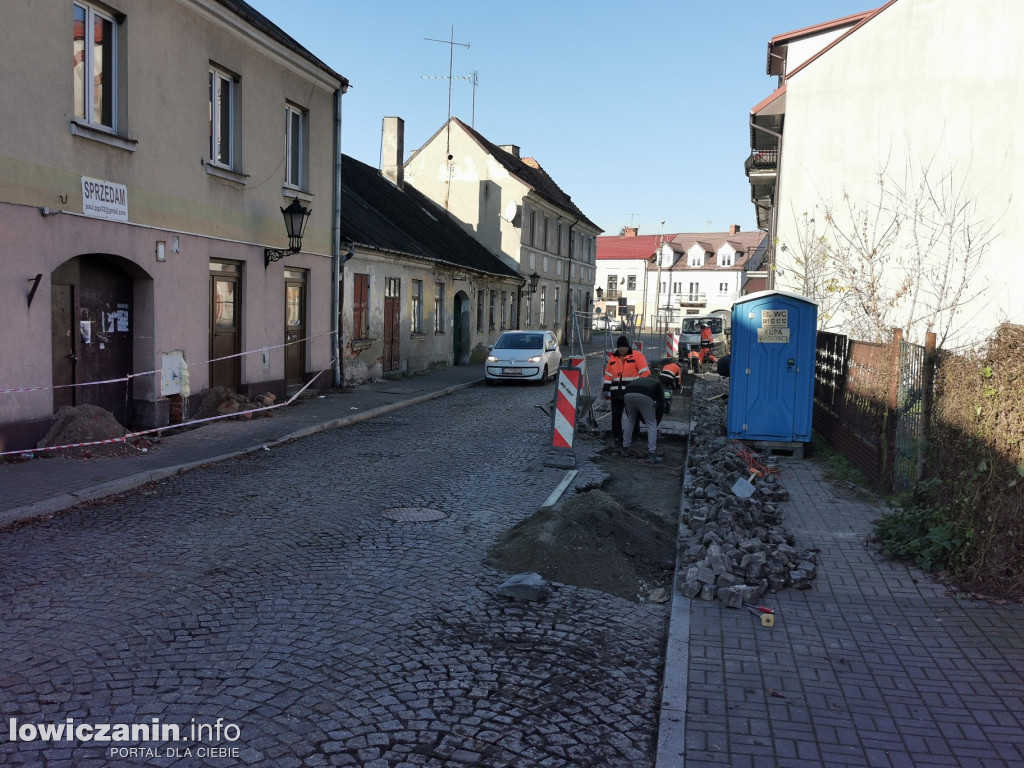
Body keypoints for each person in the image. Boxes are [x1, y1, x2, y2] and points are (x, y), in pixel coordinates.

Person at [602, 335, 650, 446]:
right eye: (619, 347)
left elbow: (645, 373)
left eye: (623, 347)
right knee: (616, 417)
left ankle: (634, 436)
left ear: (627, 347)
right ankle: (617, 438)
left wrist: (638, 386)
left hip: (630, 394)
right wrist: (606, 388)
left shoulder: (637, 356)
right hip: (616, 394)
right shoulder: (613, 358)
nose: (621, 349)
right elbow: (608, 375)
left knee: (632, 416)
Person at [621, 375, 666, 464]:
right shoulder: (657, 384)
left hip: (627, 393)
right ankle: (652, 455)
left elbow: (629, 411)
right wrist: (656, 420)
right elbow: (660, 404)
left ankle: (625, 449)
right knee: (651, 424)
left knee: (630, 420)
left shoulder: (638, 380)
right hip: (645, 395)